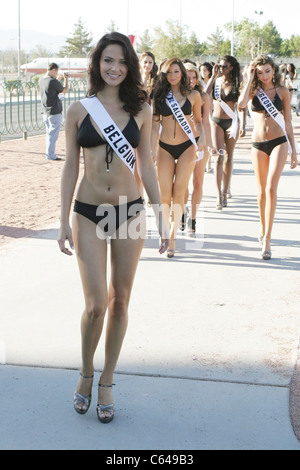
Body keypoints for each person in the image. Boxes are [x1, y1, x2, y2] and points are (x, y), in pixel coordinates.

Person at [57, 32, 169, 423]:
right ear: (97, 63)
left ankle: (106, 380)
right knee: (95, 305)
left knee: (121, 301)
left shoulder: (142, 109)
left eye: (122, 61)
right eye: (108, 60)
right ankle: (86, 371)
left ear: (130, 65)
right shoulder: (78, 109)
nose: (115, 68)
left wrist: (161, 214)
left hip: (129, 211)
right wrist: (61, 220)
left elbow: (148, 166)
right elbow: (71, 165)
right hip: (88, 211)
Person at [238, 54, 298, 260]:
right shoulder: (253, 91)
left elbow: (288, 122)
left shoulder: (282, 92)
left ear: (274, 70)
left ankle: (268, 239)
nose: (264, 75)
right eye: (260, 71)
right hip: (258, 145)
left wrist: (294, 151)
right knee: (261, 192)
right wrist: (248, 78)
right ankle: (263, 229)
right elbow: (240, 104)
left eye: (267, 71)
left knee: (271, 188)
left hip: (279, 142)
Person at [152, 57, 206, 257]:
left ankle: (172, 237)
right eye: (168, 72)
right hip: (164, 147)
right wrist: (151, 148)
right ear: (163, 75)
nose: (173, 76)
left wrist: (202, 139)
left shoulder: (193, 95)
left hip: (186, 147)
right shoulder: (158, 95)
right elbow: (154, 124)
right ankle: (165, 231)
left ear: (182, 73)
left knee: (179, 192)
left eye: (176, 71)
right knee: (164, 195)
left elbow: (199, 122)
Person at [181, 62, 214, 236]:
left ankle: (193, 219)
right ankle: (182, 212)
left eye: (195, 77)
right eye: (188, 77)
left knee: (198, 182)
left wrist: (209, 143)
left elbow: (206, 122)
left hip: (199, 141)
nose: (192, 80)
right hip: (182, 143)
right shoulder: (175, 95)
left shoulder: (203, 96)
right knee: (183, 182)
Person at [206, 55, 241, 210]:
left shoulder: (237, 82)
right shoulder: (217, 82)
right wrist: (213, 76)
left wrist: (243, 125)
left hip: (232, 122)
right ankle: (219, 194)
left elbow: (242, 106)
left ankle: (226, 190)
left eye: (225, 66)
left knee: (229, 156)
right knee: (219, 157)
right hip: (216, 122)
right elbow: (205, 95)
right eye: (219, 66)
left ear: (232, 67)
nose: (221, 68)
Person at [39, 63, 69, 161]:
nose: (56, 74)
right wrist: (66, 79)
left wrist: (58, 80)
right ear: (53, 70)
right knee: (53, 136)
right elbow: (64, 90)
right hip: (54, 112)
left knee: (49, 134)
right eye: (56, 72)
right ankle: (50, 155)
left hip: (45, 112)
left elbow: (50, 88)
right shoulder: (52, 81)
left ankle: (49, 153)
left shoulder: (41, 79)